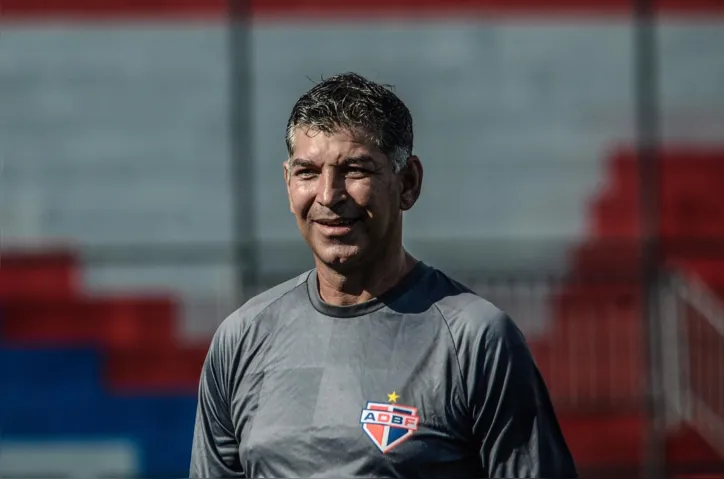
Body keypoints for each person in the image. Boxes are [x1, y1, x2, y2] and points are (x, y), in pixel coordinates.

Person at [189, 72, 578, 478]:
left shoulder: (476, 341)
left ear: (408, 183)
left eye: (355, 170)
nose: (328, 195)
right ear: (288, 184)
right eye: (308, 172)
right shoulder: (241, 340)